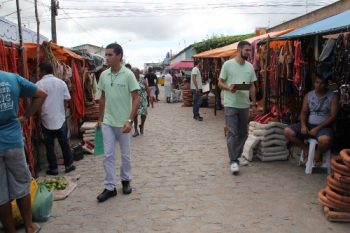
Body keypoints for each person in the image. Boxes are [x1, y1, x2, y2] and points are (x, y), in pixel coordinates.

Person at [0, 70, 47, 233]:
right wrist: (25, 116)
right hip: (13, 140)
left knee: (0, 193)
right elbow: (41, 94)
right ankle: (29, 227)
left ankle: (10, 230)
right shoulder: (11, 78)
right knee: (21, 184)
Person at [96, 43, 140, 202]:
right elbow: (102, 97)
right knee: (107, 155)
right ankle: (109, 187)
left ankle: (126, 180)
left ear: (119, 56)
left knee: (125, 155)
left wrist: (130, 120)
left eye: (110, 55)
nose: (106, 57)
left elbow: (136, 98)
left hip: (124, 124)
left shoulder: (128, 74)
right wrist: (100, 119)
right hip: (108, 122)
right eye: (106, 55)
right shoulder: (103, 75)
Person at [218, 40, 257, 175]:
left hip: (244, 105)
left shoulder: (250, 67)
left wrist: (254, 102)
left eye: (250, 50)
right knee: (232, 133)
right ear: (239, 49)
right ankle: (233, 161)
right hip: (230, 104)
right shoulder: (227, 65)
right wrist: (229, 88)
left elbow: (252, 86)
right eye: (247, 50)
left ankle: (238, 156)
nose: (249, 53)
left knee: (243, 134)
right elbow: (220, 83)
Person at [284, 75, 339, 166]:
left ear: (327, 85)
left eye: (322, 83)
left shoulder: (333, 96)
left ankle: (318, 154)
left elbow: (333, 116)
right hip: (309, 124)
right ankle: (305, 149)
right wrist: (303, 125)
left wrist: (318, 128)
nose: (319, 85)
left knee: (325, 140)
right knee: (287, 131)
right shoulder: (309, 95)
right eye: (317, 82)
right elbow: (304, 112)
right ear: (314, 83)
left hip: (324, 127)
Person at [36, 62, 76, 175]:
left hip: (45, 118)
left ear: (43, 71)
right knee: (64, 143)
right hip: (60, 117)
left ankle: (53, 168)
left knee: (49, 146)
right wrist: (61, 111)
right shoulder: (61, 83)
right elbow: (66, 100)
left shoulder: (38, 84)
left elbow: (36, 102)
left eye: (40, 71)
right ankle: (69, 165)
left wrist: (39, 116)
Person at [132, 67, 149, 137]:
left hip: (143, 99)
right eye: (133, 72)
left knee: (144, 114)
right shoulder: (131, 80)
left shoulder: (143, 80)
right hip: (134, 99)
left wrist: (150, 97)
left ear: (138, 72)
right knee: (135, 115)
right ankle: (136, 131)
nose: (134, 73)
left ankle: (142, 125)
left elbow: (147, 89)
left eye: (135, 72)